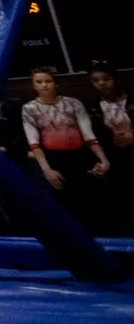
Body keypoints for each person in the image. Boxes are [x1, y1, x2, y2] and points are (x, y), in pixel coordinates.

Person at [23, 68, 112, 231]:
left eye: (48, 81)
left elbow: (89, 135)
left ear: (55, 83)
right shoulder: (29, 108)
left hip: (80, 157)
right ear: (33, 85)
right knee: (64, 209)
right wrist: (46, 170)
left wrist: (103, 159)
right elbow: (34, 143)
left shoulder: (73, 103)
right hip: (53, 159)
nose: (44, 85)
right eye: (39, 82)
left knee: (92, 206)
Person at [87, 63, 133, 236]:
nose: (101, 84)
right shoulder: (92, 105)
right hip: (115, 158)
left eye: (106, 79)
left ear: (115, 79)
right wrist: (100, 160)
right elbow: (92, 136)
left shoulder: (131, 97)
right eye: (95, 80)